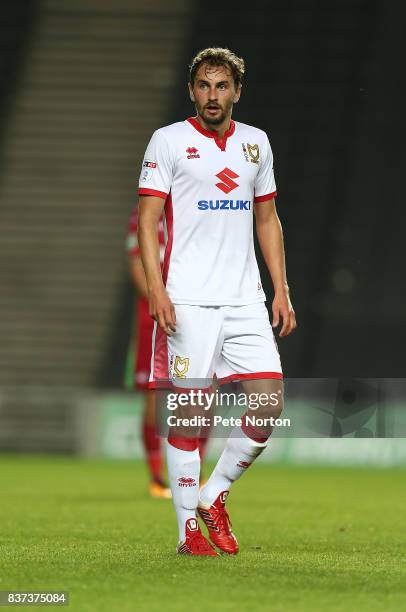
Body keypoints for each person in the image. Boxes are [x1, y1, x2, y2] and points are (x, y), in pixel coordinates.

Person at [137, 47, 296, 555]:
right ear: (191, 90)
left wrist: (281, 289)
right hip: (186, 299)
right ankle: (187, 534)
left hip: (244, 299)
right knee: (190, 416)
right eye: (204, 85)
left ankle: (214, 494)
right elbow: (146, 220)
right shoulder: (169, 141)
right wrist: (157, 290)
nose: (212, 95)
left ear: (236, 92)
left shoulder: (256, 143)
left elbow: (267, 219)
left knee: (268, 403)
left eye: (221, 86)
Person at [127, 208, 210, 498]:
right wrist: (157, 298)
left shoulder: (201, 208)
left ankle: (196, 471)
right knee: (155, 392)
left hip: (199, 311)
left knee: (203, 390)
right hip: (154, 316)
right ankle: (157, 477)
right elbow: (136, 262)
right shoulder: (145, 214)